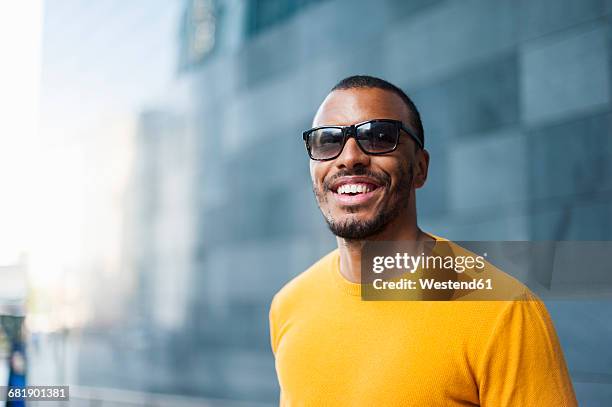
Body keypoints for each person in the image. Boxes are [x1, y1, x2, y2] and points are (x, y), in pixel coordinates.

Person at [268, 75, 578, 406]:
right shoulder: (289, 306)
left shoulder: (503, 310)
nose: (349, 158)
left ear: (420, 168)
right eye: (327, 141)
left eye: (378, 136)